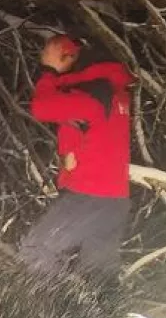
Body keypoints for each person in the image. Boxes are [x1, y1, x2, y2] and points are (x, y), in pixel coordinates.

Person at [19, 34, 135, 291]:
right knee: (99, 272)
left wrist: (49, 72)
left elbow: (42, 107)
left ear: (68, 57)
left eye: (49, 53)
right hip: (114, 200)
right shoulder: (113, 92)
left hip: (88, 195)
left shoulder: (94, 94)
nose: (43, 58)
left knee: (38, 248)